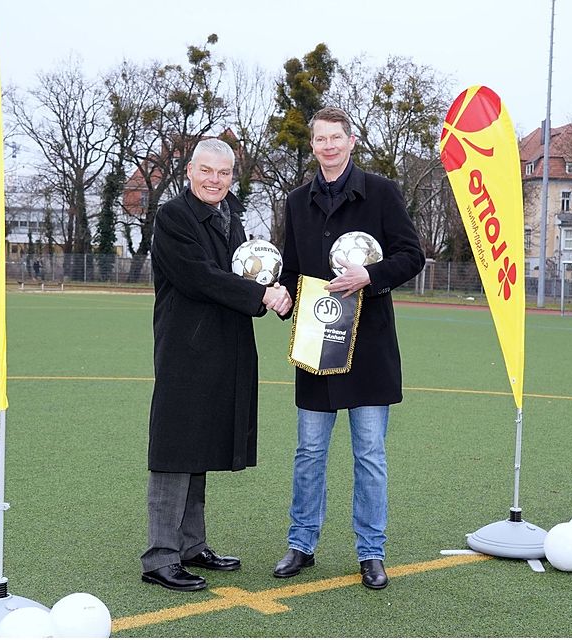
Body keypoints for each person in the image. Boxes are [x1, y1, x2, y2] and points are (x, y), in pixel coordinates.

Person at [274, 107, 425, 590]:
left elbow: (411, 255)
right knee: (309, 451)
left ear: (352, 140)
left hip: (370, 347)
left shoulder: (380, 191)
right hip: (317, 342)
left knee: (370, 454)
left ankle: (371, 552)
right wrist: (279, 296)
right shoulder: (297, 202)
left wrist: (371, 277)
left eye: (337, 137)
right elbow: (293, 271)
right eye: (320, 139)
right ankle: (301, 544)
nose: (329, 146)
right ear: (313, 145)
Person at [141, 138, 292, 592]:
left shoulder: (232, 217)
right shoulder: (172, 217)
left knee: (201, 444)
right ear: (189, 171)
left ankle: (191, 546)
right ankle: (160, 556)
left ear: (232, 177)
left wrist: (277, 290)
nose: (214, 180)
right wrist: (260, 295)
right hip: (186, 349)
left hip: (224, 346)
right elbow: (199, 276)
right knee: (174, 448)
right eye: (206, 170)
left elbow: (244, 272)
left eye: (223, 173)